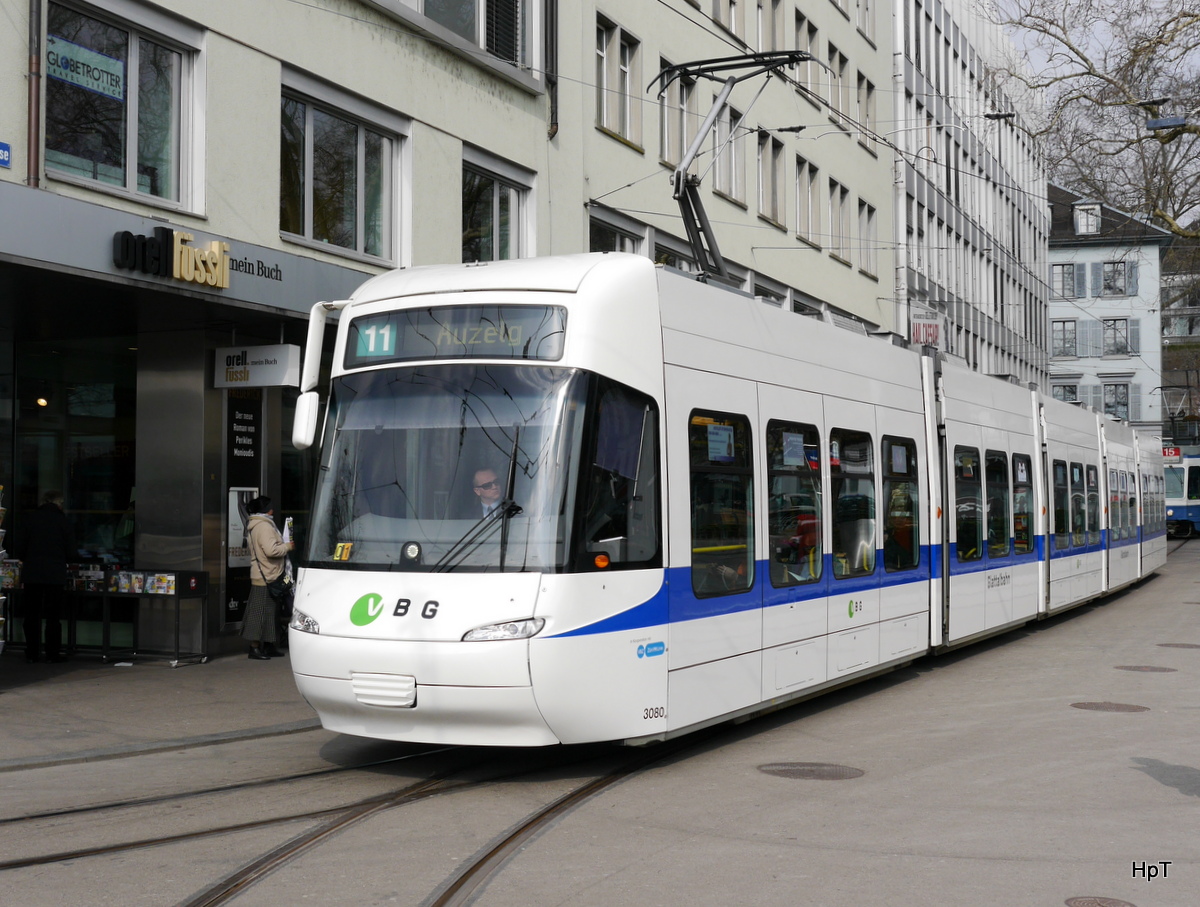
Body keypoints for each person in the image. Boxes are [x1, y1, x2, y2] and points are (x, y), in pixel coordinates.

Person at [14, 490, 76, 663]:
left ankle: (32, 652)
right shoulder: (63, 522)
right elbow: (71, 552)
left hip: (32, 573)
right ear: (59, 504)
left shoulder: (29, 519)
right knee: (53, 616)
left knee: (32, 614)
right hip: (54, 574)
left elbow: (19, 549)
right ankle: (52, 653)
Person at [242, 495, 293, 660]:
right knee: (260, 614)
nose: (274, 509)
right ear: (267, 509)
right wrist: (287, 546)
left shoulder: (258, 524)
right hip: (266, 575)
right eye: (271, 506)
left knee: (271, 612)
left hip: (267, 574)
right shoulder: (263, 526)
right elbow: (271, 550)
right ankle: (254, 648)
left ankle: (269, 645)